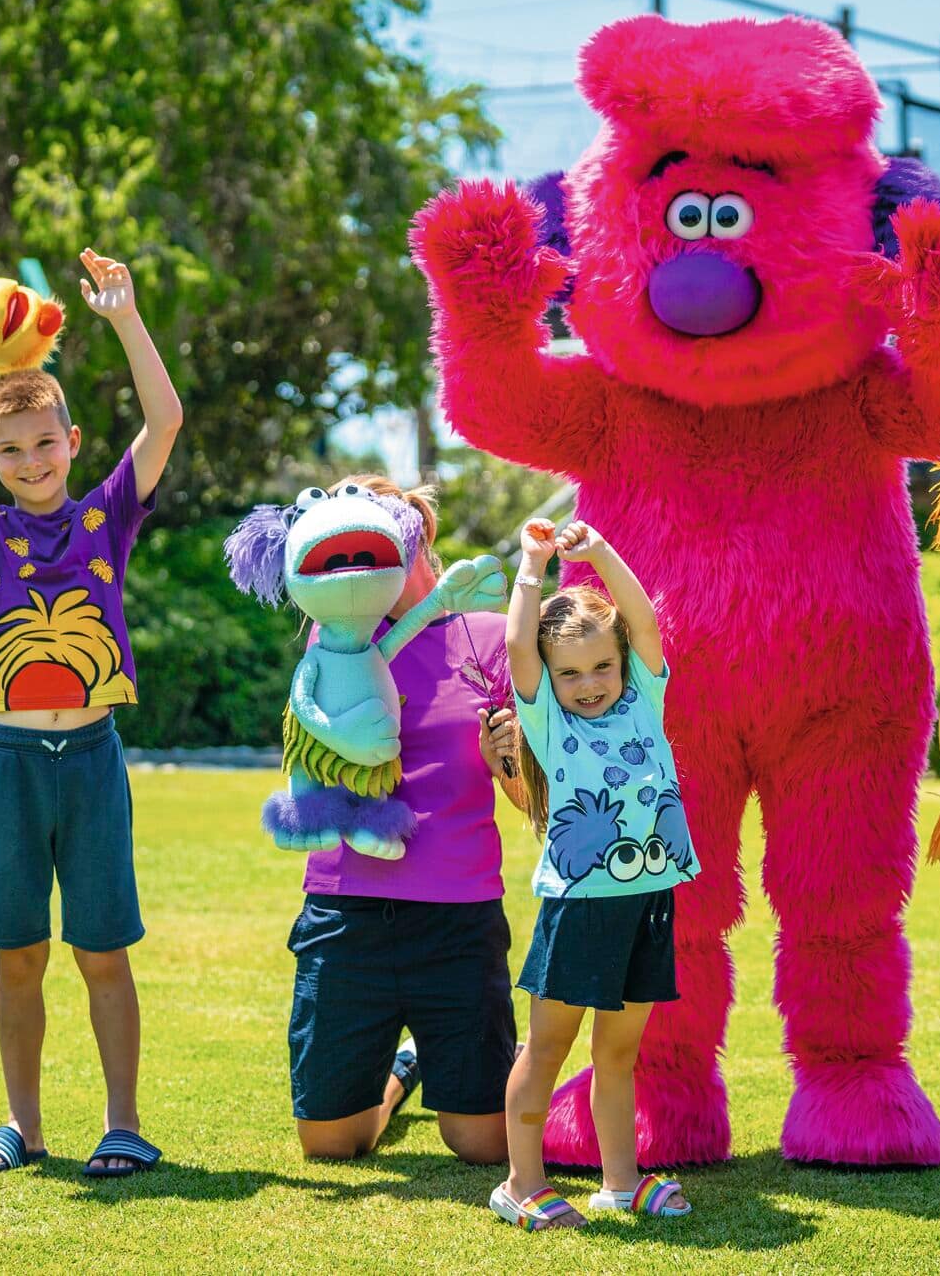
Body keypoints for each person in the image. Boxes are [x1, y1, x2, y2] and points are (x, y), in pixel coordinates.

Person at [0, 248, 183, 1176]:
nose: (29, 460)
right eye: (9, 450)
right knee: (18, 953)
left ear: (73, 442)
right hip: (7, 762)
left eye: (44, 443)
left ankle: (124, 1125)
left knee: (103, 951)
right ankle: (25, 1127)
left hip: (90, 757)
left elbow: (166, 419)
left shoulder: (107, 516)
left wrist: (125, 319)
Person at [284, 476, 527, 1166]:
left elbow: (526, 800)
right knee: (331, 1143)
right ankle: (401, 1071)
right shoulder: (334, 643)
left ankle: (454, 1057)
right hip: (347, 910)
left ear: (413, 536)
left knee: (481, 1144)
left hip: (457, 918)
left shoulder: (488, 636)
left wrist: (503, 759)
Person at [492, 518, 696, 1231]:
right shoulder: (547, 721)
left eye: (600, 667)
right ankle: (520, 1182)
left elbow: (643, 620)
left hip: (648, 900)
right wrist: (531, 564)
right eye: (569, 673)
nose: (588, 684)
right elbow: (519, 643)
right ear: (549, 681)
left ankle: (619, 1180)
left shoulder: (645, 695)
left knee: (619, 1050)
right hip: (579, 907)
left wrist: (600, 552)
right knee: (546, 1045)